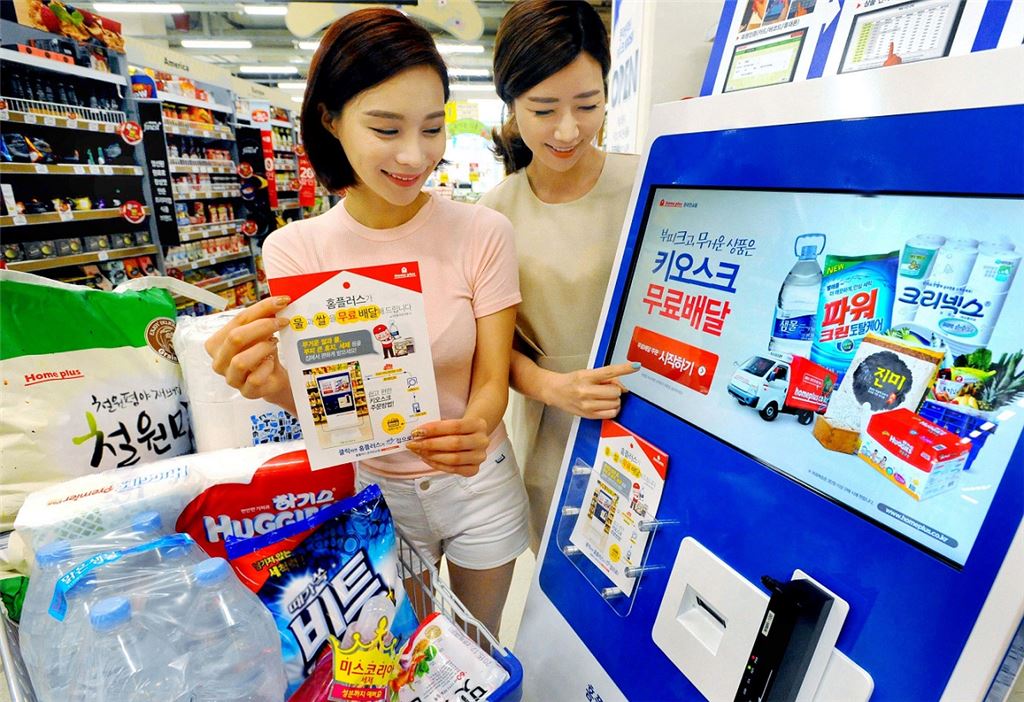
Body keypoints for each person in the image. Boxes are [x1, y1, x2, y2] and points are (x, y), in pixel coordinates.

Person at [204, 8, 528, 636]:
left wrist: (478, 425)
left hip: (478, 483)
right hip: (377, 492)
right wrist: (269, 384)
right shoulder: (296, 250)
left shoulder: (483, 232)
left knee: (479, 651)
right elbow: (332, 405)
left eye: (432, 127)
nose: (415, 154)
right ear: (330, 119)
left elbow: (492, 379)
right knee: (404, 654)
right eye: (386, 128)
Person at [478, 0, 642, 552]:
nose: (569, 130)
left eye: (587, 105)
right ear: (511, 103)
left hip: (656, 413)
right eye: (544, 109)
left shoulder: (648, 183)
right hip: (555, 428)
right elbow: (492, 349)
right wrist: (553, 387)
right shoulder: (494, 214)